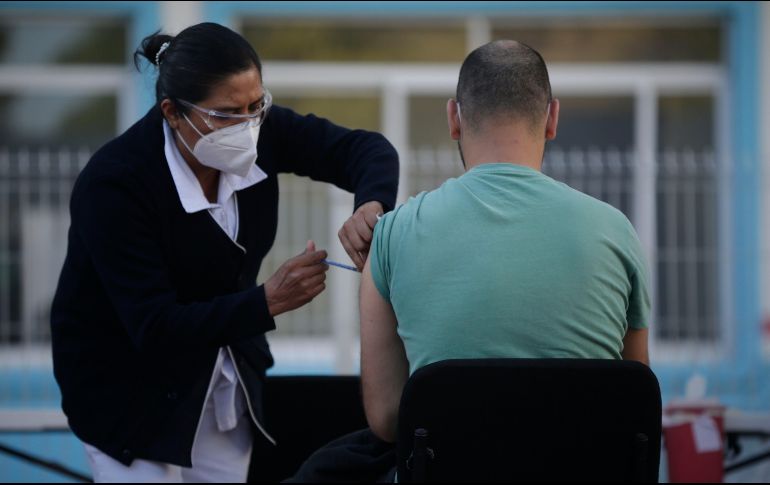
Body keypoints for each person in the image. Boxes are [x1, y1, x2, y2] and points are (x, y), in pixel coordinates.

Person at [50, 22, 398, 482]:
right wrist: (267, 301)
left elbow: (365, 149)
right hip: (125, 399)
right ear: (172, 112)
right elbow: (153, 324)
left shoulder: (262, 133)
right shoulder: (115, 184)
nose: (247, 125)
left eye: (257, 105)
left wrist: (369, 204)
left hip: (220, 388)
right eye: (227, 114)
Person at [359, 39, 651, 444]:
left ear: (453, 119)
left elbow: (388, 418)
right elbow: (635, 403)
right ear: (552, 119)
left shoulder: (392, 235)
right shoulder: (616, 232)